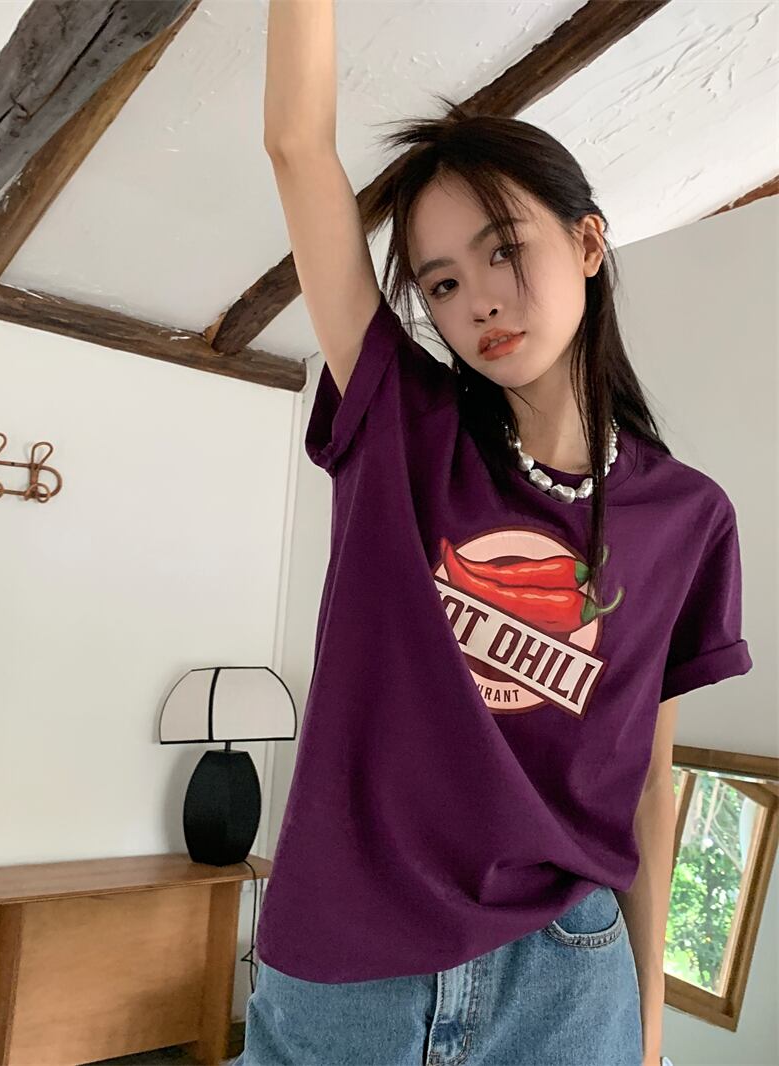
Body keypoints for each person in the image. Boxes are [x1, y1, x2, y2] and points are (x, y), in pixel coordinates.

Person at [231, 2, 753, 1064]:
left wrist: (650, 1025)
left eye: (503, 251)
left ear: (588, 242)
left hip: (568, 973)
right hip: (348, 962)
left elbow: (648, 786)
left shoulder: (687, 518)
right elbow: (296, 146)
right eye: (442, 283)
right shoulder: (399, 424)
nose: (478, 303)